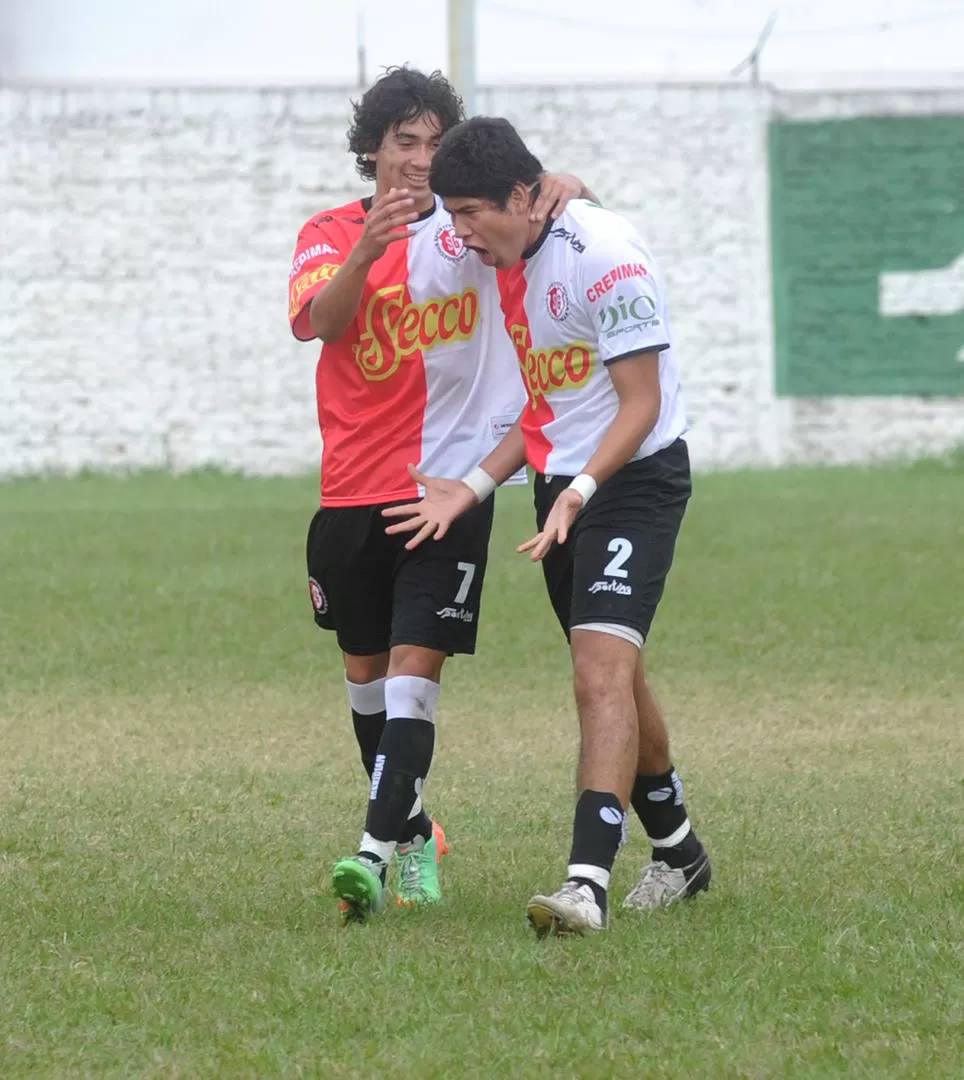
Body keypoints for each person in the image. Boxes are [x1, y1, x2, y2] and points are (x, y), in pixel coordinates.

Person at [383, 116, 711, 936]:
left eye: (468, 213)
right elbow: (537, 407)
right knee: (618, 675)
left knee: (597, 673)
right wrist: (473, 486)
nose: (459, 234)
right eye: (450, 215)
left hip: (633, 478)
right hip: (559, 484)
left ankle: (585, 885)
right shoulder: (508, 254)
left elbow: (639, 403)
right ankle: (679, 850)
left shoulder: (607, 257)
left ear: (523, 197)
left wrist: (584, 488)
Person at [287, 68, 591, 922]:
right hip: (352, 490)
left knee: (417, 680)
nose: (419, 162)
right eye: (403, 144)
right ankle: (417, 832)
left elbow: (555, 228)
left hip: (450, 488)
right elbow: (324, 323)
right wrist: (367, 250)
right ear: (372, 151)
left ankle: (372, 856)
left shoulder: (471, 232)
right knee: (366, 681)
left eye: (432, 145)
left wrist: (571, 186)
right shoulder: (328, 232)